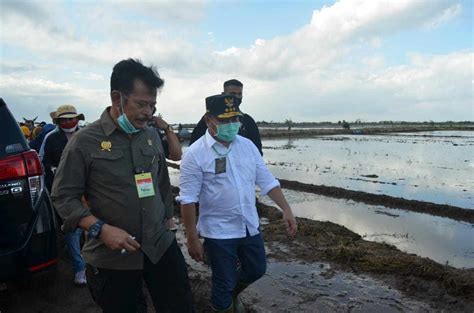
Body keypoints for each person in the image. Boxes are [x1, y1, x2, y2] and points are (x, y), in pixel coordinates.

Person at [51, 58, 194, 313]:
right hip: (112, 258)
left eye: (152, 105)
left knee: (181, 305)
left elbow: (161, 182)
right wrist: (100, 228)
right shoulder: (84, 142)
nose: (149, 112)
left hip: (159, 246)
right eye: (141, 104)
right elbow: (63, 196)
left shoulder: (150, 135)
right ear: (117, 97)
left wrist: (168, 220)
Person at [180, 94, 298, 312]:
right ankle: (223, 304)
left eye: (235, 119)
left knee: (256, 269)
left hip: (248, 225)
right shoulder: (195, 155)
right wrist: (191, 237)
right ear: (209, 120)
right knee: (223, 282)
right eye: (225, 120)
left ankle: (231, 295)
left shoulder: (247, 146)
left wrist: (287, 209)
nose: (232, 125)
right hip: (219, 232)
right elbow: (188, 200)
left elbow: (267, 181)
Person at [42, 104, 87, 286]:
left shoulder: (87, 134)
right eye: (65, 119)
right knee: (73, 227)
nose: (69, 122)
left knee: (94, 225)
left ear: (77, 119)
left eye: (72, 118)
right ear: (58, 121)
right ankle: (80, 268)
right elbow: (41, 162)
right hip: (64, 190)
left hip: (89, 188)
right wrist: (54, 172)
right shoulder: (50, 138)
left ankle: (95, 262)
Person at [189, 79, 263, 155]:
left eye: (239, 94)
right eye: (233, 94)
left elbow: (257, 151)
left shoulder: (248, 121)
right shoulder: (210, 120)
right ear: (223, 94)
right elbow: (194, 145)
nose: (236, 97)